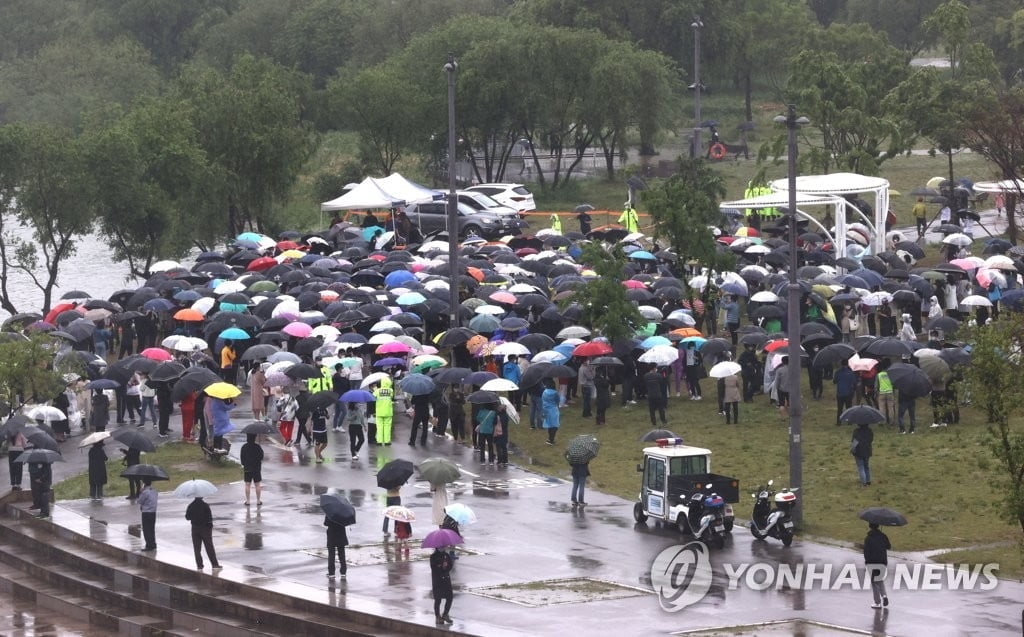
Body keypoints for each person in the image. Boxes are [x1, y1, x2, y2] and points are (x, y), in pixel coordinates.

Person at [185, 496, 221, 569]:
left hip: (195, 528)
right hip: (205, 529)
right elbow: (209, 519)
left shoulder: (191, 505)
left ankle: (199, 565)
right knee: (209, 547)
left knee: (197, 548)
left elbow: (187, 517)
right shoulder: (205, 505)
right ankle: (214, 564)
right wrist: (210, 527)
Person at [863, 523, 891, 609]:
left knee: (874, 582)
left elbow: (866, 552)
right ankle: (884, 596)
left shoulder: (868, 538)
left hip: (872, 562)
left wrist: (867, 561)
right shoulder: (883, 536)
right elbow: (889, 546)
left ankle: (878, 602)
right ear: (878, 526)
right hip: (882, 562)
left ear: (870, 527)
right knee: (879, 580)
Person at [430, 547, 455, 624]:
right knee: (438, 599)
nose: (443, 547)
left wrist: (446, 566)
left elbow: (450, 565)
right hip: (438, 580)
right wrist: (441, 565)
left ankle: (445, 614)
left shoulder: (446, 555)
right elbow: (433, 567)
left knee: (450, 597)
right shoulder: (433, 556)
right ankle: (437, 617)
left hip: (446, 580)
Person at [240, 434, 263, 506]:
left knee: (247, 484)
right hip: (256, 468)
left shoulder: (244, 447)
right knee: (257, 484)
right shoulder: (258, 447)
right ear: (254, 438)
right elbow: (261, 457)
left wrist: (244, 464)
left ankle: (248, 501)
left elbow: (242, 458)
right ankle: (258, 501)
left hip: (247, 468)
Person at [325, 514, 349, 579]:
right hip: (341, 535)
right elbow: (346, 523)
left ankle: (331, 573)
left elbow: (326, 523)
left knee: (331, 554)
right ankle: (343, 572)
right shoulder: (343, 513)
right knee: (342, 554)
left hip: (332, 536)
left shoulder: (330, 512)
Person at [834, 360, 857, 426]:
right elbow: (854, 383)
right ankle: (849, 422)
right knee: (849, 408)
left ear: (841, 364)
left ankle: (839, 422)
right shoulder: (851, 373)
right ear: (848, 364)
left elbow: (834, 381)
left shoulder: (838, 372)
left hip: (840, 393)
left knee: (840, 408)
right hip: (848, 393)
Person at [373, 377, 395, 446]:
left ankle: (379, 441)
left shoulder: (377, 391)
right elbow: (391, 397)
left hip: (379, 411)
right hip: (388, 411)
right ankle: (387, 441)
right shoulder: (390, 390)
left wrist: (375, 389)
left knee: (379, 427)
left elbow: (373, 396)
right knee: (387, 426)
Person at [138, 479, 158, 551]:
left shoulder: (145, 492)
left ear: (144, 484)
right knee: (152, 529)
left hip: (146, 513)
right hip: (153, 512)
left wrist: (140, 492)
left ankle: (149, 545)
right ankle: (153, 544)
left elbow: (139, 501)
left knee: (146, 530)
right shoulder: (155, 491)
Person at [541, 380, 560, 445]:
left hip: (546, 409)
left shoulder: (544, 392)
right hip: (553, 410)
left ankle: (549, 438)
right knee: (555, 425)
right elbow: (558, 401)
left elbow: (542, 400)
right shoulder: (555, 393)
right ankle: (551, 440)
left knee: (549, 424)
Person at [876, 361, 895, 425]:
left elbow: (876, 385)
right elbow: (894, 383)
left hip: (882, 393)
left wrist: (876, 392)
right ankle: (891, 421)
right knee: (890, 408)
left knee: (882, 408)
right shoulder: (891, 374)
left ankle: (883, 421)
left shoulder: (879, 375)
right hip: (890, 392)